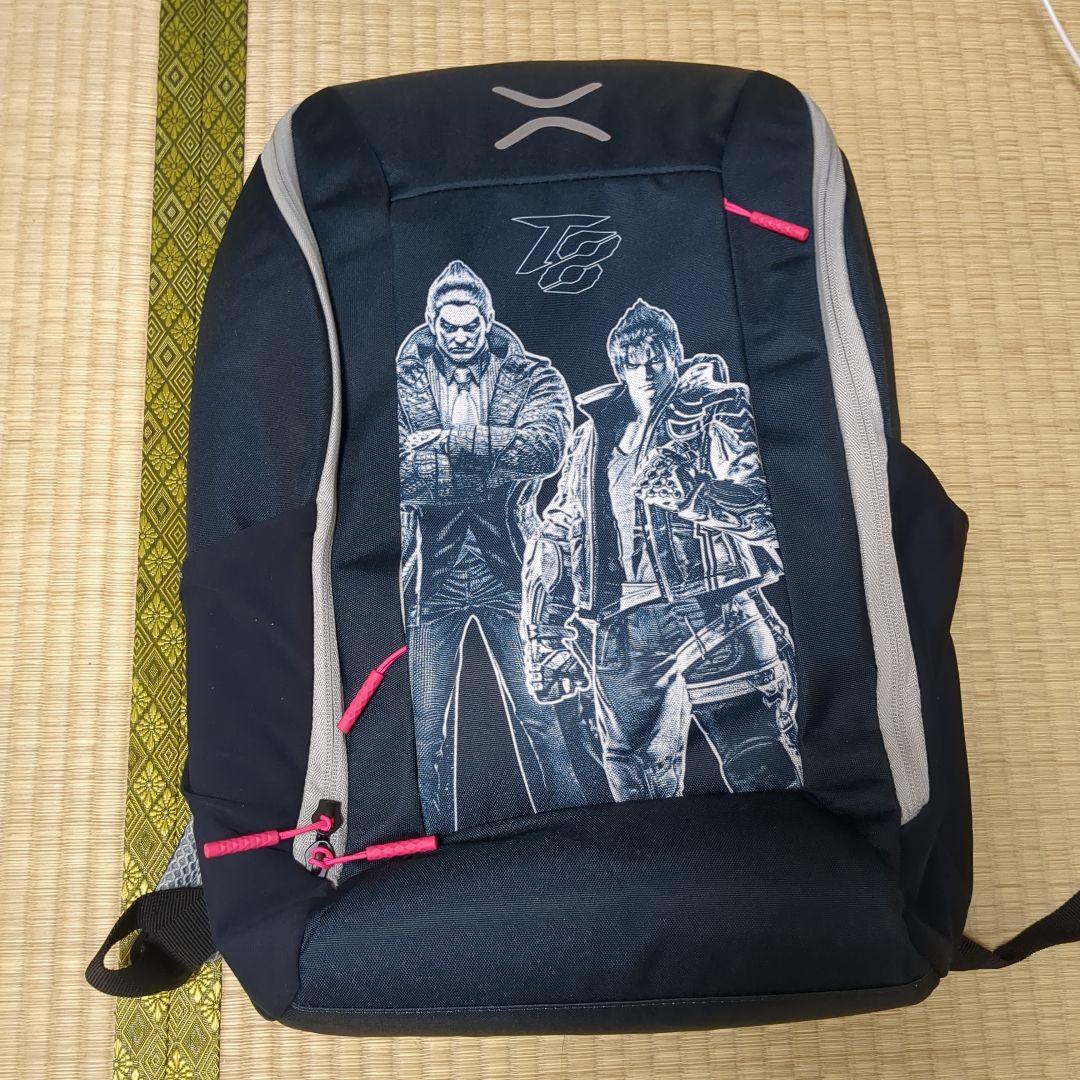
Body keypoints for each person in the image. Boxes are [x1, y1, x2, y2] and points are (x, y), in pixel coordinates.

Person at [521, 298, 803, 800]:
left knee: (765, 767)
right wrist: (543, 635)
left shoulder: (717, 408)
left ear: (675, 355)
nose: (646, 370)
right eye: (633, 361)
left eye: (656, 357)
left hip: (716, 610)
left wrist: (695, 495)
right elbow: (558, 533)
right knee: (637, 791)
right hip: (625, 629)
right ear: (619, 368)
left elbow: (774, 512)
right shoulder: (591, 438)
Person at [397, 259, 586, 832]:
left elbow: (545, 450)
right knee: (424, 733)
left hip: (512, 569)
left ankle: (579, 838)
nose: (460, 337)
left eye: (471, 326)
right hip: (432, 576)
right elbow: (390, 471)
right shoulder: (395, 382)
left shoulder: (535, 376)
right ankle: (432, 856)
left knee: (545, 719)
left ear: (488, 320)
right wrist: (494, 458)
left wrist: (447, 444)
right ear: (432, 323)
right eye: (449, 327)